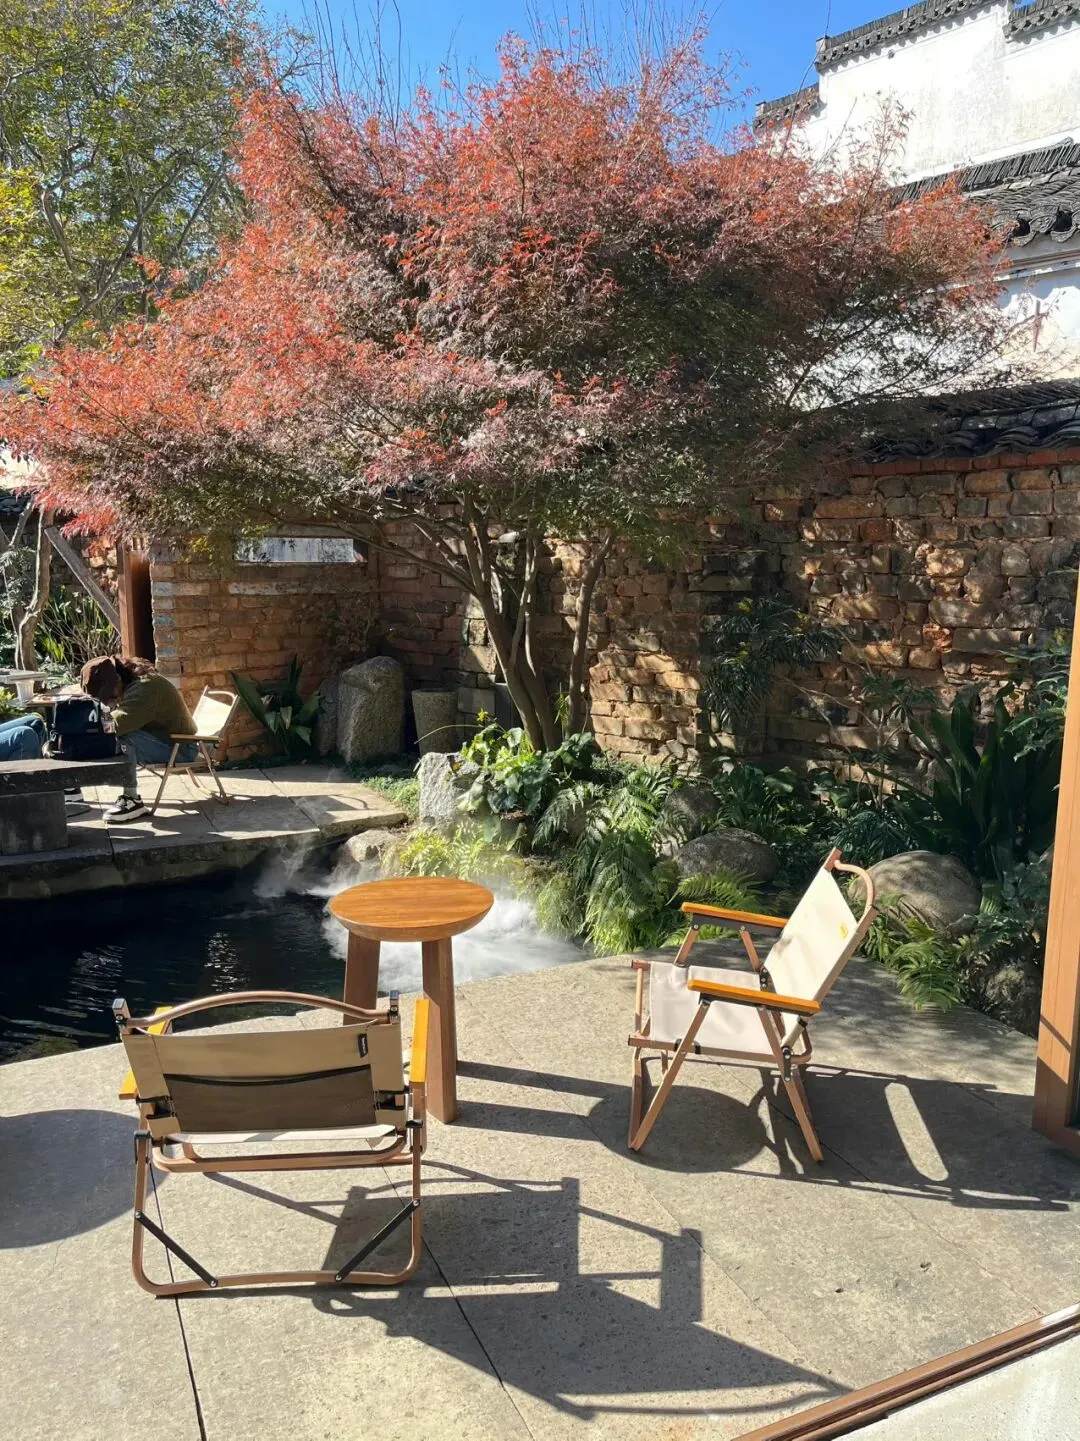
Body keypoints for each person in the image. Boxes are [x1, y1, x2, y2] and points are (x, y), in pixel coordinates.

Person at [80, 656, 197, 822]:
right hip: (166, 741)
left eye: (109, 695)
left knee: (120, 736)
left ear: (118, 679)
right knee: (101, 735)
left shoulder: (145, 689)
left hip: (180, 750)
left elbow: (116, 725)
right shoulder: (134, 682)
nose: (110, 701)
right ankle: (74, 787)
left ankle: (132, 799)